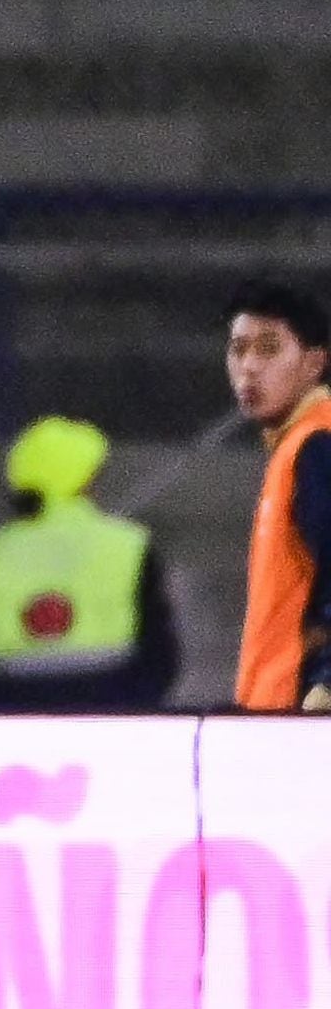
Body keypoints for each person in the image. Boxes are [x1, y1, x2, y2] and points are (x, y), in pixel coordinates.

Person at [0, 415, 179, 711]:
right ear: (83, 481)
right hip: (113, 710)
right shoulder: (130, 546)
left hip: (9, 717)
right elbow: (160, 656)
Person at [224, 278, 331, 712]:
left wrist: (326, 681)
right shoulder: (295, 446)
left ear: (314, 362)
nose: (249, 366)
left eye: (269, 349)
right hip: (279, 712)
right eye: (238, 349)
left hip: (301, 714)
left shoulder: (317, 446)